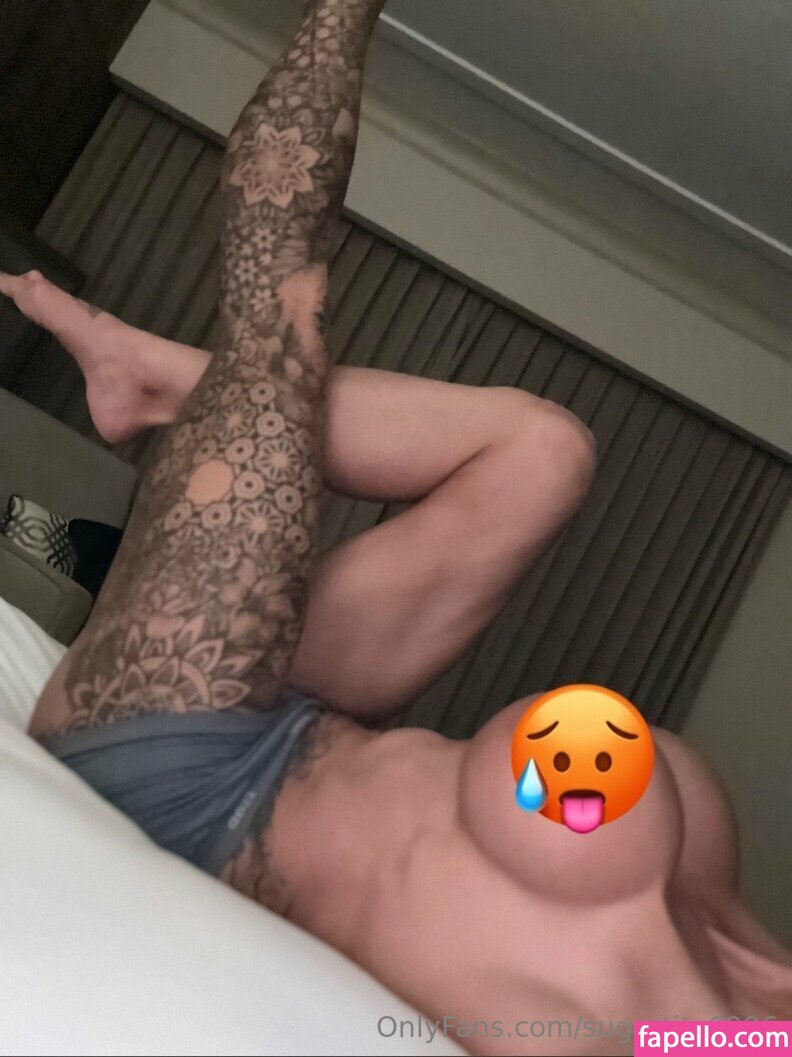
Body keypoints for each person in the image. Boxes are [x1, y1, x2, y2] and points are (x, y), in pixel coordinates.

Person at [2, 1, 790, 1052]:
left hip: (180, 772)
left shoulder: (640, 1035)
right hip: (317, 717)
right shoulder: (742, 969)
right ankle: (157, 379)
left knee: (280, 283)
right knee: (542, 452)